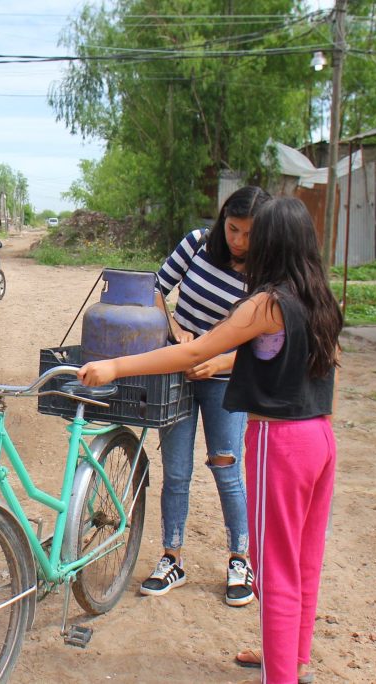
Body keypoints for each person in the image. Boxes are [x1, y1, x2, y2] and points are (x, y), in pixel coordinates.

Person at [79, 197, 342, 684]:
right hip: (320, 437)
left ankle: (279, 677)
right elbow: (312, 368)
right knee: (304, 560)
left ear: (276, 244)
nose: (244, 244)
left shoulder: (268, 303)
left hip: (280, 442)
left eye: (256, 237)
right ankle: (290, 659)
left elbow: (196, 350)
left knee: (275, 570)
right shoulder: (320, 297)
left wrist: (115, 365)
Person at [141, 186, 270, 606]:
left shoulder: (265, 275)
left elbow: (259, 345)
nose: (239, 241)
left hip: (224, 381)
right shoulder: (196, 244)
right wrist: (176, 333)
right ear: (222, 221)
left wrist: (216, 362)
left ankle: (239, 559)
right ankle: (171, 556)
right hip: (178, 371)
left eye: (249, 233)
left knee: (226, 467)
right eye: (233, 229)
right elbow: (154, 288)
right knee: (176, 471)